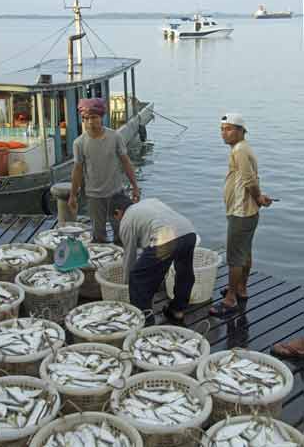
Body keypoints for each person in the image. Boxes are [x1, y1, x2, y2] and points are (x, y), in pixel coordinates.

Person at [210, 113, 272, 318]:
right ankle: (241, 289)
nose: (224, 133)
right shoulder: (242, 149)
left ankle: (230, 300)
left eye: (228, 129)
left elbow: (249, 180)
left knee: (234, 257)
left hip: (240, 212)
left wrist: (259, 197)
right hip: (247, 212)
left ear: (241, 130)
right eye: (222, 129)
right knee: (245, 253)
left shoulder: (240, 151)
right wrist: (259, 199)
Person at [109, 194, 197, 326]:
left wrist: (128, 283)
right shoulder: (150, 201)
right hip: (189, 232)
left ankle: (145, 321)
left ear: (118, 212)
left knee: (137, 277)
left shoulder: (126, 221)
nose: (118, 221)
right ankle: (177, 309)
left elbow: (129, 257)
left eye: (116, 218)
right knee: (184, 272)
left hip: (166, 239)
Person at [68, 98, 140, 243]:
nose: (90, 122)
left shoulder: (115, 137)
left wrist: (135, 187)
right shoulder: (79, 143)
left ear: (101, 117)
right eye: (85, 118)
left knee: (121, 232)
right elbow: (77, 170)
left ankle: (122, 262)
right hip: (94, 196)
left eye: (94, 117)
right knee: (98, 235)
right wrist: (73, 195)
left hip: (116, 193)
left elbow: (126, 162)